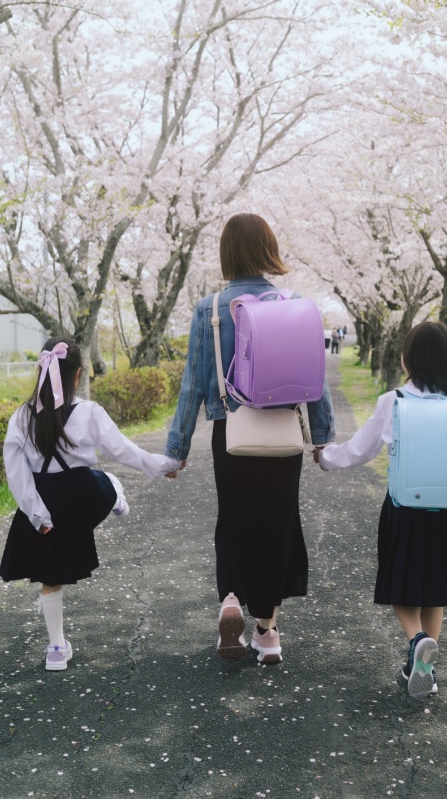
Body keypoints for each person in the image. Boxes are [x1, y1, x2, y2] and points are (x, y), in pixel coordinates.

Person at [164, 213, 335, 664]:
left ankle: (231, 601)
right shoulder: (295, 303)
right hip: (281, 435)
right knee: (277, 523)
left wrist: (177, 448)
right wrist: (321, 438)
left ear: (227, 253)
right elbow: (315, 380)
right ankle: (268, 632)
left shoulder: (210, 308)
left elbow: (193, 384)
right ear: (268, 249)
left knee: (234, 519)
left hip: (232, 433)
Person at [314, 321, 447, 698]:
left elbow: (360, 449)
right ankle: (425, 668)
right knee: (434, 590)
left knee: (401, 585)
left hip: (406, 507)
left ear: (409, 360)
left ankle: (416, 639)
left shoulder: (395, 401)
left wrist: (324, 458)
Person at [0, 337, 179, 671]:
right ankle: (115, 494)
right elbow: (123, 450)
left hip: (45, 500)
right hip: (83, 495)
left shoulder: (21, 417)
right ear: (78, 374)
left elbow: (17, 475)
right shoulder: (88, 412)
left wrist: (37, 515)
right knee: (104, 481)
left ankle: (56, 649)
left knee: (50, 576)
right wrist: (163, 464)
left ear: (41, 370)